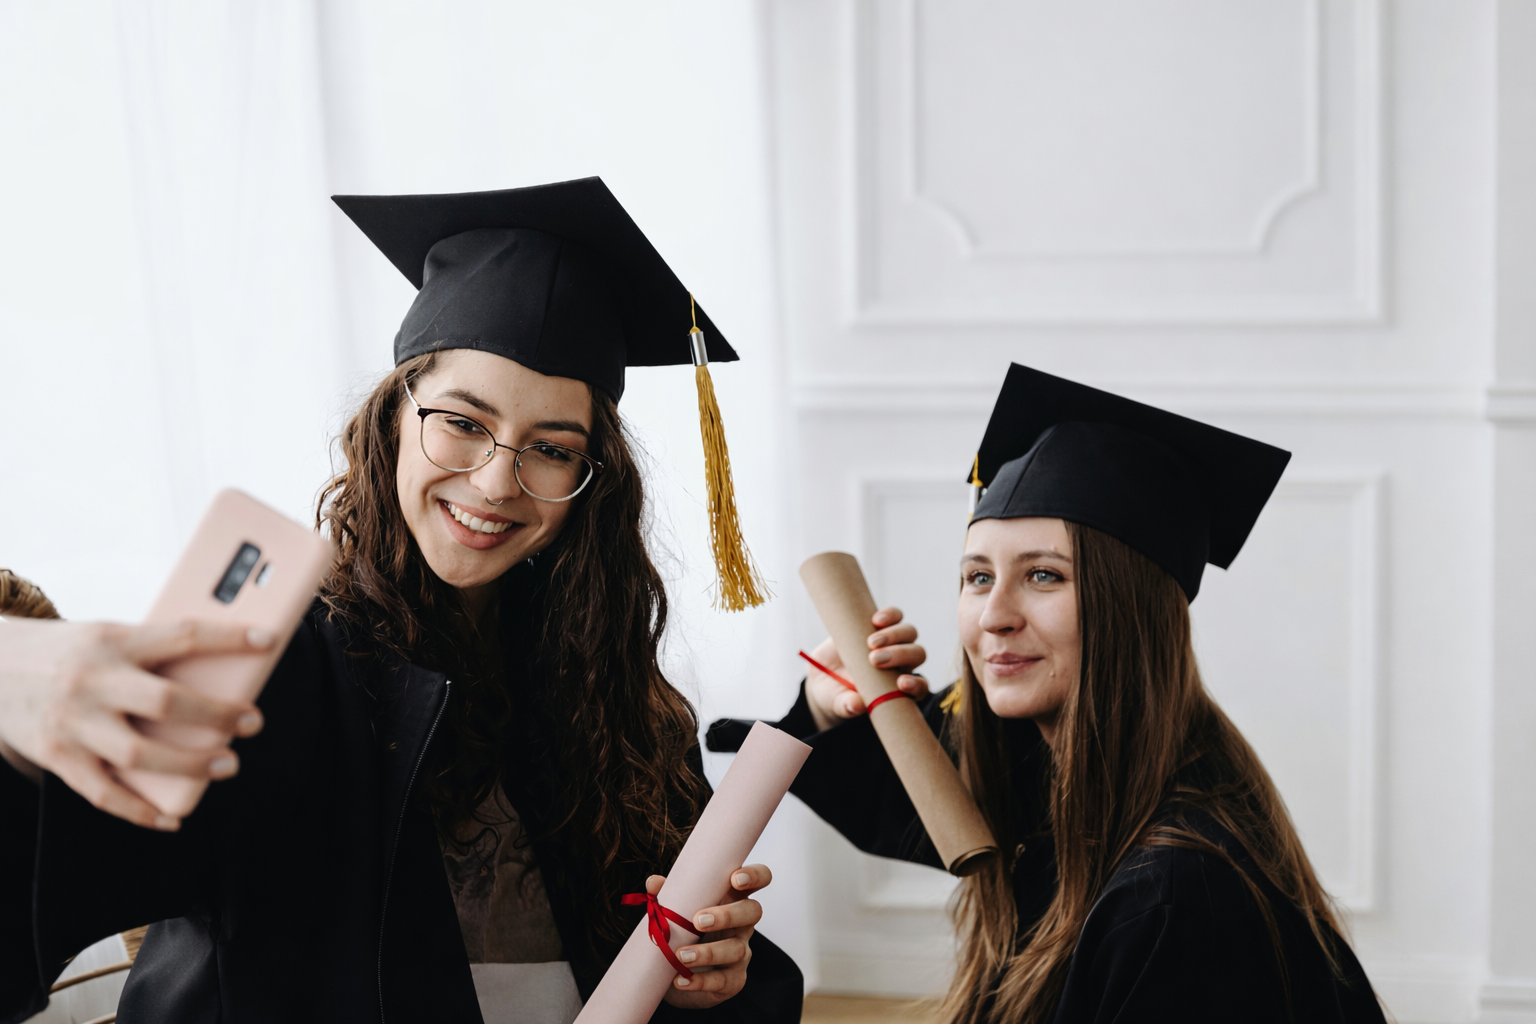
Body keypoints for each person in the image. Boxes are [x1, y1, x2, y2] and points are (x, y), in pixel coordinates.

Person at [0, 178, 800, 1024]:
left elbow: (686, 940)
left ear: (590, 483)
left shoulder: (612, 697)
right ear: (391, 420)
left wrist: (712, 972)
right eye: (460, 421)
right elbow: (56, 891)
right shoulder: (276, 665)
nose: (496, 483)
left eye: (552, 449)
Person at [710, 364, 1387, 1023]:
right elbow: (907, 792)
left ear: (1131, 609)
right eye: (977, 578)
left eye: (1042, 575)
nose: (994, 615)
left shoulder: (1182, 894)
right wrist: (830, 710)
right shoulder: (1042, 762)